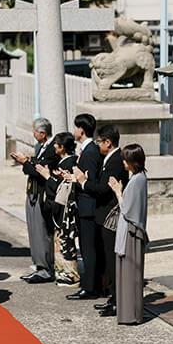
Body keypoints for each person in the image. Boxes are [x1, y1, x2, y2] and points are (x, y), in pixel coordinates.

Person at [77, 123, 127, 316]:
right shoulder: (109, 158)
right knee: (107, 259)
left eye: (100, 142)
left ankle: (116, 300)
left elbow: (104, 189)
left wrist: (83, 182)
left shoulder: (115, 161)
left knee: (112, 261)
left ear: (108, 142)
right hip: (103, 216)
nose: (98, 145)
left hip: (109, 216)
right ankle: (112, 298)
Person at [11, 117, 58, 284]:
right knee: (34, 231)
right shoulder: (43, 146)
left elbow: (39, 171)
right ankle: (40, 265)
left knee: (41, 232)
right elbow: (37, 165)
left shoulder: (52, 149)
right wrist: (29, 161)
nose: (34, 136)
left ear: (43, 133)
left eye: (35, 133)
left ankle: (45, 267)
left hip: (42, 193)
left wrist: (25, 163)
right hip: (34, 192)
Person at [111, 144, 149, 325]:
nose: (123, 162)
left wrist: (118, 192)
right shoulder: (138, 178)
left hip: (132, 232)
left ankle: (131, 314)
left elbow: (126, 209)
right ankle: (129, 313)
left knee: (129, 274)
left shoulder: (137, 180)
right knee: (128, 274)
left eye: (126, 159)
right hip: (130, 230)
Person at [65, 114, 101, 301]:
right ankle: (92, 285)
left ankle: (90, 287)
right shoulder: (87, 150)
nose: (74, 130)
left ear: (82, 130)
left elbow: (89, 180)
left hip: (88, 206)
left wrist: (78, 180)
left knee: (89, 249)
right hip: (85, 204)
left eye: (75, 127)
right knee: (87, 247)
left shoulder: (90, 152)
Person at [36, 132, 78, 286]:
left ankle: (70, 275)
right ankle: (62, 273)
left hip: (64, 211)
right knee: (59, 242)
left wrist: (48, 177)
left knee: (65, 242)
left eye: (56, 144)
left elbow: (63, 189)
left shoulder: (70, 163)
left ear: (62, 147)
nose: (54, 146)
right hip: (58, 209)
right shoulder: (65, 162)